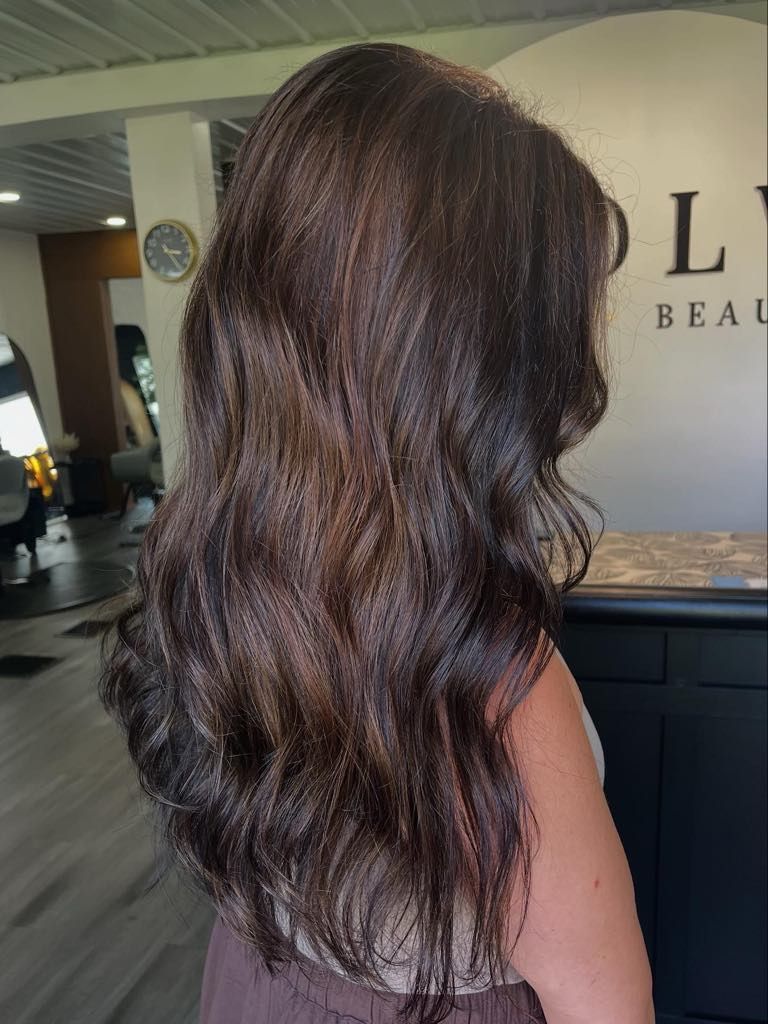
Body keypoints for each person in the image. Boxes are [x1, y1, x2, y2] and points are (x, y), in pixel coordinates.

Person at [101, 43, 653, 1024]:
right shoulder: (485, 684)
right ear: (472, 371)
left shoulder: (210, 574)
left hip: (252, 988)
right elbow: (606, 1007)